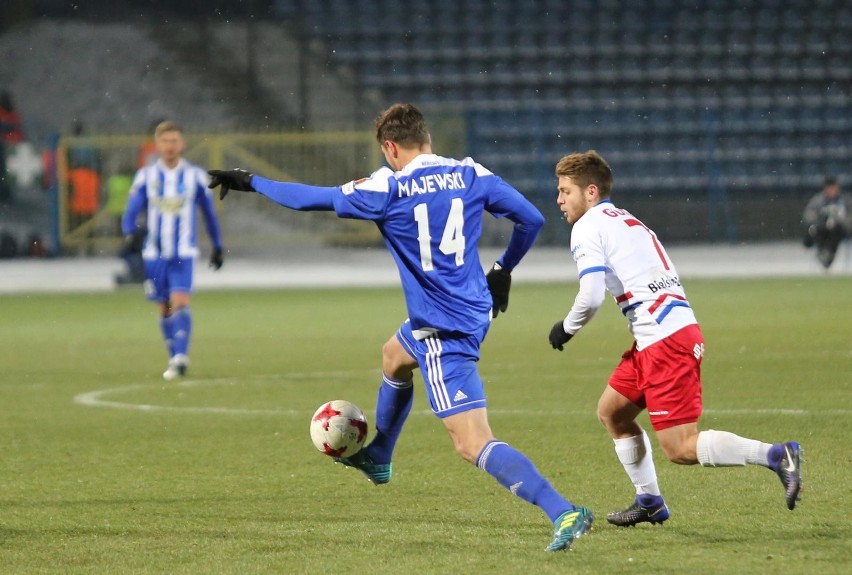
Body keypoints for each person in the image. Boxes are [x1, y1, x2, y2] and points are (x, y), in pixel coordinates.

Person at [208, 103, 593, 552]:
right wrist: (503, 269)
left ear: (390, 146)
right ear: (426, 138)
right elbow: (532, 219)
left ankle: (562, 510)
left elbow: (311, 198)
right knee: (393, 354)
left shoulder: (387, 186)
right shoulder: (469, 173)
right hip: (473, 308)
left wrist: (251, 181)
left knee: (472, 444)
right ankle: (380, 455)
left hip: (442, 332)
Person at [547, 150, 803, 527]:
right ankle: (649, 500)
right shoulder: (626, 219)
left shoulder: (587, 227)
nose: (559, 200)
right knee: (613, 413)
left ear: (590, 191)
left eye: (565, 191)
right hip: (661, 335)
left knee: (681, 447)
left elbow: (590, 296)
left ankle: (776, 455)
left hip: (664, 341)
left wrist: (565, 328)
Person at [121, 121, 224, 380]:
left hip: (183, 252)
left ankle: (180, 357)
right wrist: (129, 232)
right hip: (154, 253)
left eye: (174, 140)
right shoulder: (146, 176)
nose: (170, 146)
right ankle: (173, 355)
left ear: (182, 143)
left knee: (180, 301)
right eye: (165, 141)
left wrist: (217, 245)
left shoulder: (195, 176)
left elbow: (209, 214)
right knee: (164, 307)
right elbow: (132, 208)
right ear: (157, 145)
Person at [802, 176, 850, 270]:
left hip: (840, 229)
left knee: (836, 230)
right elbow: (808, 214)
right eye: (830, 188)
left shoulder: (845, 200)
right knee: (816, 230)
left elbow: (850, 216)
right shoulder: (818, 200)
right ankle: (823, 252)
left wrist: (840, 219)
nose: (832, 191)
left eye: (834, 188)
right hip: (822, 227)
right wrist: (821, 217)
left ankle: (828, 253)